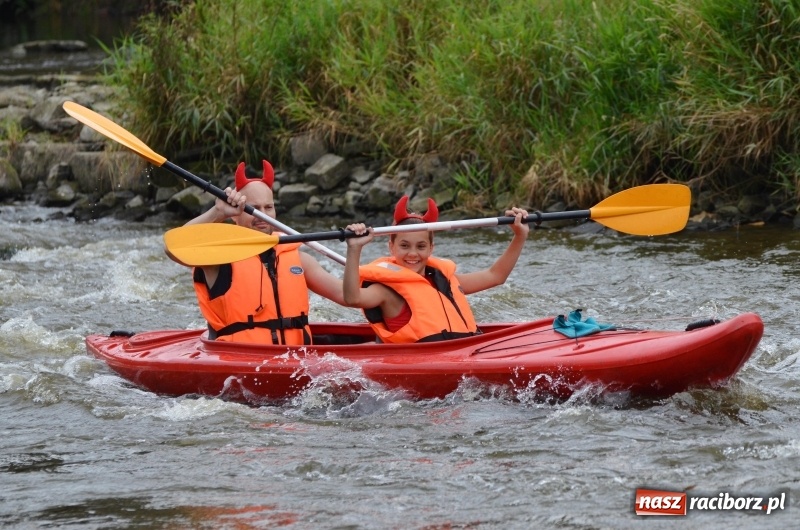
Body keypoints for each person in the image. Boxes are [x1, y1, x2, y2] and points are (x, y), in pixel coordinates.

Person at [182, 160, 345, 345]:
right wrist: (218, 212)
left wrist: (356, 249)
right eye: (254, 209)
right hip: (239, 359)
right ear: (235, 214)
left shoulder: (298, 259)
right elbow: (180, 245)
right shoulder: (220, 258)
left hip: (296, 362)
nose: (263, 216)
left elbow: (346, 295)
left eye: (268, 207)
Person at [343, 196, 529, 343]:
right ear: (391, 247)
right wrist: (354, 249)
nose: (413, 253)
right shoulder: (386, 291)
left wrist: (520, 235)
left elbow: (496, 276)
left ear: (431, 248)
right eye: (405, 246)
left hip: (464, 350)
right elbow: (353, 298)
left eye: (421, 246)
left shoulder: (445, 281)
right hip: (421, 361)